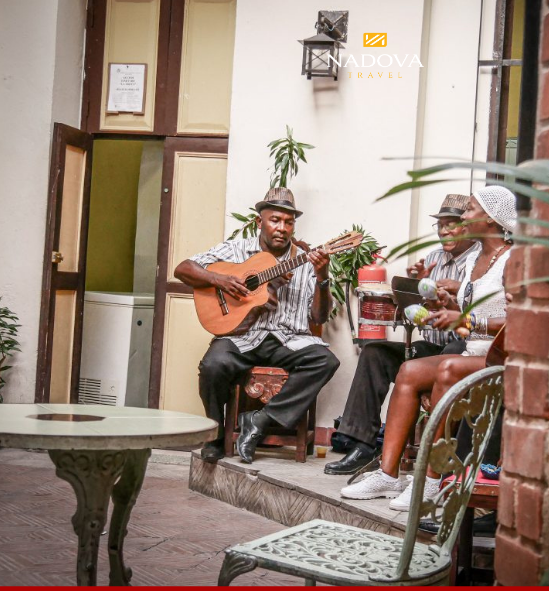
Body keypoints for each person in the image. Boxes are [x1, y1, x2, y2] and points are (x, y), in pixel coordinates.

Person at [340, 185, 517, 510]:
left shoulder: (512, 260)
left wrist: (466, 320)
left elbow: (517, 320)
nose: (464, 216)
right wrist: (445, 303)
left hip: (501, 358)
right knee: (408, 370)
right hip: (472, 354)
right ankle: (387, 474)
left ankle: (431, 481)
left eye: (471, 209)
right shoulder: (475, 258)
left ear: (491, 219)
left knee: (448, 368)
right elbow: (467, 308)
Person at [174, 187, 340, 463]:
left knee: (325, 361)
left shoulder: (306, 258)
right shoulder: (237, 249)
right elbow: (183, 269)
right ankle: (214, 436)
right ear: (259, 221)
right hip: (243, 336)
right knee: (213, 365)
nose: (282, 228)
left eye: (288, 222)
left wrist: (322, 275)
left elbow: (320, 317)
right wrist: (221, 280)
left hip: (289, 339)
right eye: (275, 220)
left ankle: (261, 420)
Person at [323, 194, 480, 475]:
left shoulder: (481, 261)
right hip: (432, 345)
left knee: (450, 352)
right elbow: (419, 311)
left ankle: (436, 464)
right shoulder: (433, 257)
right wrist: (412, 288)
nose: (444, 231)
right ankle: (361, 443)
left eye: (451, 224)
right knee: (375, 353)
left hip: (465, 348)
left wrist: (459, 290)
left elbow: (483, 311)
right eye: (440, 225)